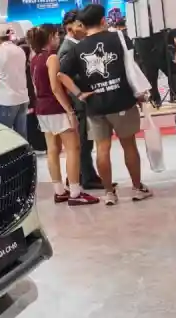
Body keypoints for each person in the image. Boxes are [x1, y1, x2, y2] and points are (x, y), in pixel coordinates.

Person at [59, 4, 153, 206]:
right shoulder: (119, 38)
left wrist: (79, 94)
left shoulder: (77, 48)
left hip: (95, 106)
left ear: (83, 25)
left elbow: (61, 74)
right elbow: (132, 67)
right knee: (129, 145)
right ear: (103, 20)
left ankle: (109, 193)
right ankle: (137, 188)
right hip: (122, 101)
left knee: (102, 149)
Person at [26, 26, 99, 206]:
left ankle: (59, 191)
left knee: (53, 149)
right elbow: (55, 87)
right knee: (73, 148)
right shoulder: (51, 58)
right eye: (56, 35)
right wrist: (69, 110)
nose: (58, 38)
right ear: (50, 37)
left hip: (41, 108)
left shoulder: (34, 59)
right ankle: (75, 192)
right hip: (56, 107)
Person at [58, 9, 105, 189]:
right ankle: (85, 178)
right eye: (79, 24)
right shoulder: (68, 48)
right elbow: (65, 77)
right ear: (69, 27)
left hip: (84, 100)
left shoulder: (77, 45)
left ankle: (86, 175)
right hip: (79, 102)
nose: (83, 27)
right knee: (84, 142)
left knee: (87, 141)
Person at [0, 24, 31, 138]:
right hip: (23, 98)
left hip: (7, 100)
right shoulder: (20, 50)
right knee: (21, 135)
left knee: (4, 135)